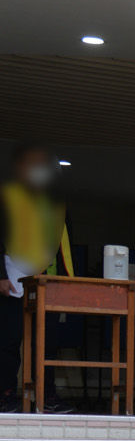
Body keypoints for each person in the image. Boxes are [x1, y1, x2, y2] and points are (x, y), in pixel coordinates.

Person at [1, 142, 74, 410]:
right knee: (8, 341)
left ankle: (46, 396)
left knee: (46, 345)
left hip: (48, 283)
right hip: (12, 278)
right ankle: (6, 394)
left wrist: (67, 281)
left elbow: (63, 242)